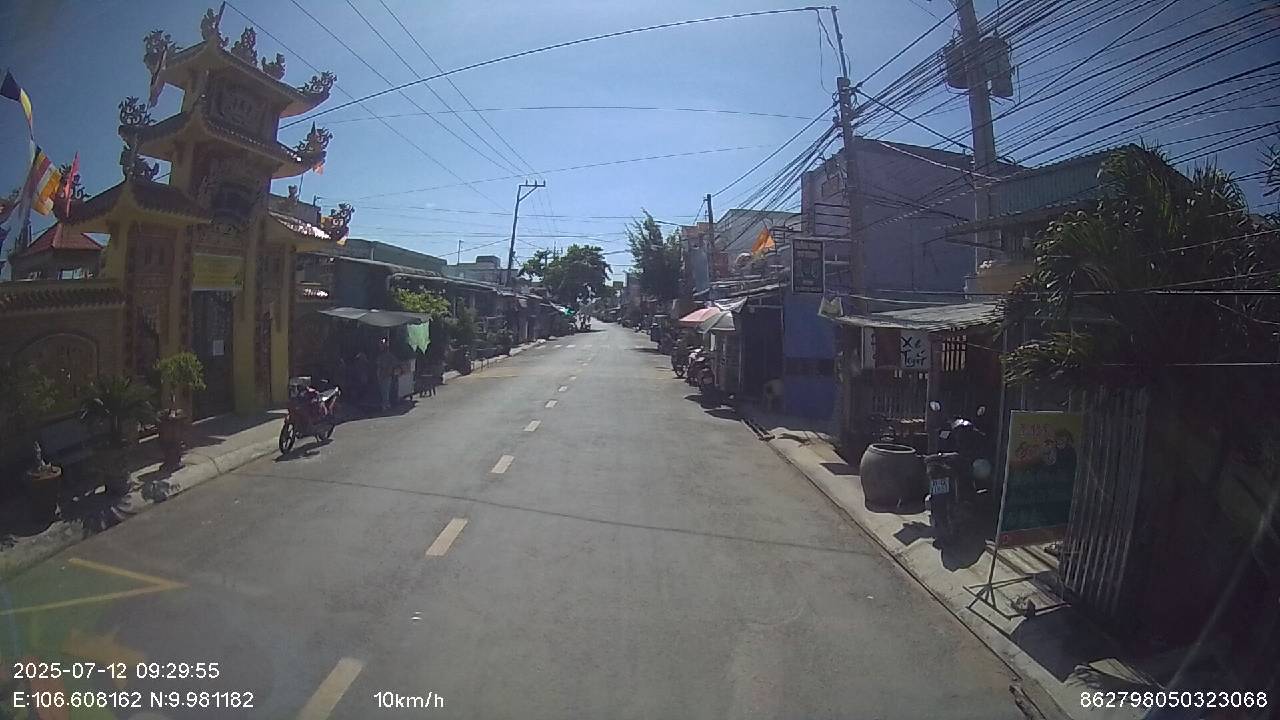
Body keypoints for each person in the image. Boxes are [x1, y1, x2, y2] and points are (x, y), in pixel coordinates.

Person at [375, 338, 396, 411]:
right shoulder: (382, 356)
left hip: (386, 374)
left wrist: (388, 370)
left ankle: (385, 404)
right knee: (384, 390)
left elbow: (392, 363)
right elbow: (378, 365)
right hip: (383, 374)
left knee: (385, 390)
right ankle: (386, 404)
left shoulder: (387, 356)